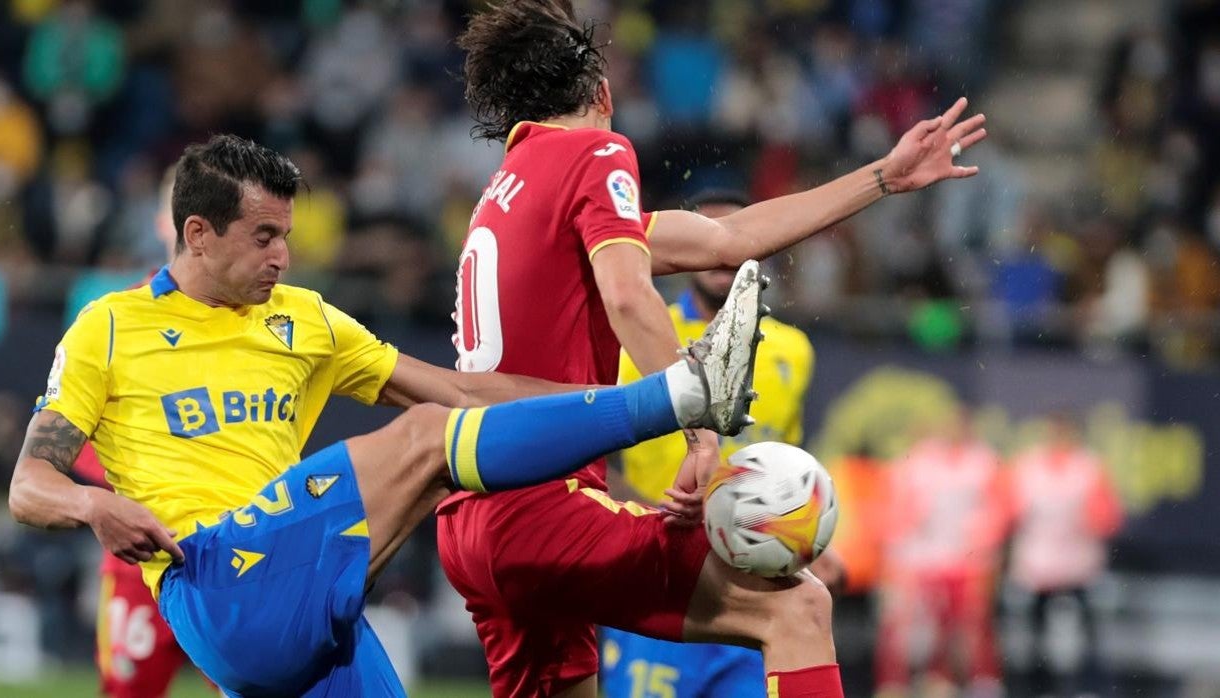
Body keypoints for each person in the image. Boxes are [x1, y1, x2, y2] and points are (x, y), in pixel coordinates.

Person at [8, 134, 766, 698]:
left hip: (307, 598)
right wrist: (92, 503)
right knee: (425, 443)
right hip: (210, 577)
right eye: (263, 237)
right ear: (197, 234)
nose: (283, 257)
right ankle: (684, 392)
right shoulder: (108, 326)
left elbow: (461, 392)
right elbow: (29, 483)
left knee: (437, 426)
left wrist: (597, 398)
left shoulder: (303, 320)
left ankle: (672, 395)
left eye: (288, 237)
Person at [445, 2, 988, 696]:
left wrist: (883, 175)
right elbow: (627, 293)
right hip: (543, 507)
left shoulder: (506, 192)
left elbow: (727, 240)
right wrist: (699, 429)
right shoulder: (593, 151)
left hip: (472, 513)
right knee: (797, 607)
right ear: (602, 94)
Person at [599, 189, 839, 698]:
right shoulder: (639, 335)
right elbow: (592, 463)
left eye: (731, 239)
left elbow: (788, 462)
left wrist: (804, 537)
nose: (720, 255)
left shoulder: (793, 351)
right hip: (657, 571)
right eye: (706, 239)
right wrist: (660, 513)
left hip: (751, 589)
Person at [66, 165, 216, 697]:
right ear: (163, 224)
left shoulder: (268, 323)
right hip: (139, 568)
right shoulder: (110, 322)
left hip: (230, 559)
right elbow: (76, 446)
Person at [876, 410, 1010, 698]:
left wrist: (984, 545)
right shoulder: (919, 461)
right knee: (911, 626)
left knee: (969, 623)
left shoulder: (983, 462)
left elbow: (998, 511)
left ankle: (978, 680)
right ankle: (902, 683)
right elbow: (899, 511)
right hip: (923, 558)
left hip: (968, 558)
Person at [1008, 412, 1122, 697]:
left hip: (1077, 562)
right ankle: (1037, 688)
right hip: (1037, 562)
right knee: (1035, 632)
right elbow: (1009, 510)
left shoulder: (1089, 466)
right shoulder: (1027, 466)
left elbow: (1108, 517)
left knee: (1087, 632)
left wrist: (1089, 519)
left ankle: (1085, 687)